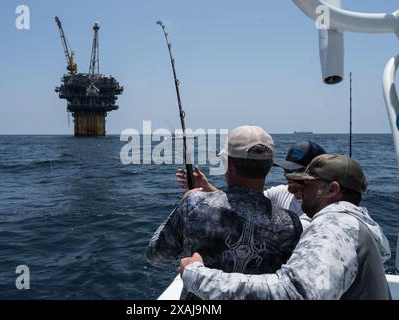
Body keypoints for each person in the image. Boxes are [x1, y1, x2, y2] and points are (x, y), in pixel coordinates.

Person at [180, 154, 392, 300]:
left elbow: (293, 293)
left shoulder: (334, 226)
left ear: (332, 190)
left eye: (307, 184)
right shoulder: (356, 225)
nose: (298, 191)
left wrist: (196, 274)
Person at [147, 125, 303, 299]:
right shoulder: (291, 223)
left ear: (228, 164)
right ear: (269, 167)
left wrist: (183, 205)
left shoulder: (193, 204)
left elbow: (157, 256)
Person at [177, 140, 326, 229]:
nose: (289, 176)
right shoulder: (281, 192)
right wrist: (207, 187)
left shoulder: (321, 210)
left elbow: (288, 231)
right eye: (287, 169)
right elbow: (247, 204)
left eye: (297, 171)